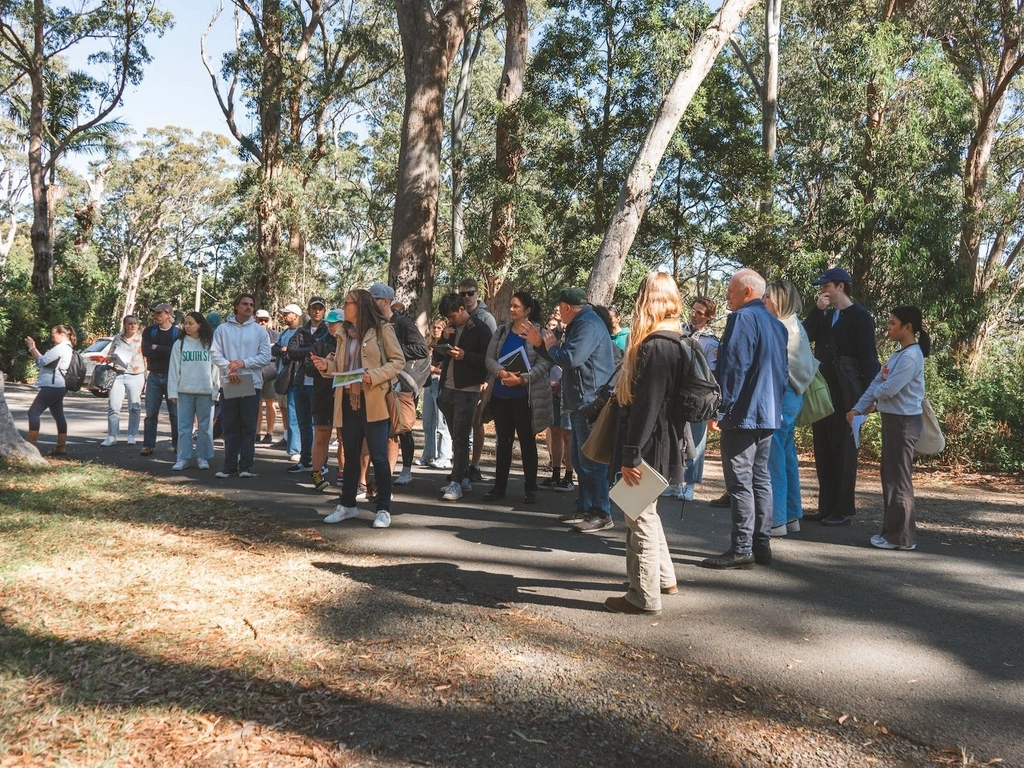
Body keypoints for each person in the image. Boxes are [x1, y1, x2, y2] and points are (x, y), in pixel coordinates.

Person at [604, 272, 686, 615]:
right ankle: (665, 579)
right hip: (663, 439)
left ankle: (643, 596)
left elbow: (647, 405)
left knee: (639, 517)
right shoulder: (677, 339)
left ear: (646, 300)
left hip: (647, 445)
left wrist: (630, 454)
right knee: (646, 510)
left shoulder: (656, 346)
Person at [700, 269, 788, 570]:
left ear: (747, 292)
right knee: (760, 478)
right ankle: (760, 545)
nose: (727, 296)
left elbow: (734, 368)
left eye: (731, 290)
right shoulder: (777, 325)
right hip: (768, 411)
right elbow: (782, 372)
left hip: (744, 412)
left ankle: (741, 548)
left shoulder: (743, 319)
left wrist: (719, 410)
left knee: (740, 482)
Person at [525, 287, 616, 533]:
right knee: (579, 458)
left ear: (567, 308)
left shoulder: (586, 325)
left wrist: (549, 346)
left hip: (590, 402)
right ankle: (586, 507)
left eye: (559, 308)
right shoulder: (583, 323)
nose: (558, 312)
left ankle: (601, 512)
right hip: (581, 401)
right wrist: (543, 346)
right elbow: (563, 356)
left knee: (592, 460)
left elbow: (571, 357)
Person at [315, 288, 406, 529]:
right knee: (351, 456)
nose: (343, 308)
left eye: (347, 304)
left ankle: (384, 509)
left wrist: (372, 376)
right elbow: (341, 367)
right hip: (347, 401)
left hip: (374, 400)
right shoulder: (344, 332)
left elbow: (398, 362)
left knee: (378, 456)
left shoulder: (383, 329)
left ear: (361, 306)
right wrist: (326, 365)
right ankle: (347, 505)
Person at [847, 306, 930, 551]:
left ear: (908, 327)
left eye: (893, 323)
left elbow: (888, 388)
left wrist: (877, 396)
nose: (889, 327)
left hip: (904, 422)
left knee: (899, 480)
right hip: (894, 420)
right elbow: (877, 383)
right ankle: (893, 533)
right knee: (891, 478)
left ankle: (901, 538)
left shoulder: (911, 356)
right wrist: (858, 408)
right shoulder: (899, 354)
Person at [803, 267, 880, 525]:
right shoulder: (824, 316)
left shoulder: (860, 317)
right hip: (822, 391)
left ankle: (843, 510)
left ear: (841, 287)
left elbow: (869, 358)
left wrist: (869, 399)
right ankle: (826, 507)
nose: (823, 291)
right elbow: (805, 337)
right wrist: (816, 310)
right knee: (823, 448)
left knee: (844, 450)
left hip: (848, 393)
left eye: (827, 286)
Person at [480, 291, 552, 504]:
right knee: (503, 442)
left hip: (525, 397)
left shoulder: (538, 332)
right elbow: (489, 358)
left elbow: (545, 362)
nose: (511, 309)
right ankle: (498, 487)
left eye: (516, 306)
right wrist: (501, 373)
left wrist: (524, 379)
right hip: (501, 395)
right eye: (511, 305)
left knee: (527, 443)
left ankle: (531, 489)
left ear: (527, 310)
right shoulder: (502, 331)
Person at [763, 281, 817, 536]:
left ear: (779, 300)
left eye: (767, 298)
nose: (764, 301)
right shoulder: (796, 325)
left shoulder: (781, 328)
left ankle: (776, 519)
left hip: (783, 394)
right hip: (795, 395)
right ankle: (792, 515)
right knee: (786, 457)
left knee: (774, 458)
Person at [369, 283, 430, 486]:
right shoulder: (373, 324)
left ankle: (406, 470)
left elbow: (421, 349)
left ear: (386, 302)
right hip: (381, 382)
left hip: (403, 383)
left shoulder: (402, 323)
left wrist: (393, 351)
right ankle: (383, 473)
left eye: (374, 300)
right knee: (385, 430)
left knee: (403, 427)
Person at [434, 292, 493, 501]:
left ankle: (457, 482)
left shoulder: (480, 328)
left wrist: (464, 356)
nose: (451, 320)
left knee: (461, 438)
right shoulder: (451, 329)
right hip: (447, 389)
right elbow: (436, 355)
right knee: (455, 436)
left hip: (467, 390)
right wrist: (444, 338)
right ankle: (462, 477)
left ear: (461, 309)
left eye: (452, 316)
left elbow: (489, 359)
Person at [210, 293, 273, 479]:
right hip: (230, 381)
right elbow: (215, 353)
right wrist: (230, 367)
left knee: (248, 425)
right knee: (229, 425)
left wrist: (243, 363)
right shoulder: (222, 329)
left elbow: (265, 357)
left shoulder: (260, 331)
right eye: (244, 304)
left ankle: (245, 466)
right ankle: (229, 466)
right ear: (236, 306)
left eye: (251, 304)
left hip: (252, 384)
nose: (248, 307)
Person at [681, 297, 721, 502]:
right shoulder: (680, 331)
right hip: (677, 392)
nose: (693, 315)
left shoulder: (711, 341)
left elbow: (712, 373)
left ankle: (689, 484)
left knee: (696, 441)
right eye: (693, 310)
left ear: (709, 317)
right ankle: (673, 481)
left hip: (698, 397)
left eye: (699, 313)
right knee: (677, 437)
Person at [168, 312, 220, 471]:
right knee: (183, 427)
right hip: (185, 391)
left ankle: (203, 457)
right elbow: (174, 369)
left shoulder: (210, 343)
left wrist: (215, 390)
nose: (187, 326)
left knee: (205, 427)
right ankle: (182, 458)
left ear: (200, 325)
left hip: (205, 391)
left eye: (191, 323)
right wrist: (172, 392)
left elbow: (216, 368)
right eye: (186, 323)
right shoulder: (180, 344)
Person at [285, 296, 330, 473]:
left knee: (320, 426)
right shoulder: (301, 331)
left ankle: (322, 463)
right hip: (300, 382)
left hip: (319, 384)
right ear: (308, 310)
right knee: (303, 424)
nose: (317, 311)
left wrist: (307, 352)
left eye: (320, 308)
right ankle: (305, 460)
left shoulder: (327, 331)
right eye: (314, 308)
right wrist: (311, 351)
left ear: (324, 311)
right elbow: (291, 351)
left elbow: (326, 351)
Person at [458, 278, 497, 483]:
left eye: (470, 293)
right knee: (462, 424)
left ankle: (475, 465)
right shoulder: (458, 316)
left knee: (476, 422)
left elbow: (491, 351)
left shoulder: (486, 318)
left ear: (477, 293)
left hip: (480, 378)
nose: (466, 297)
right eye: (462, 294)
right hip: (461, 379)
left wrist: (487, 379)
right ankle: (461, 466)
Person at [24, 325, 75, 455]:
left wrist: (32, 347)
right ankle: (61, 446)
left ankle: (31, 446)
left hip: (52, 386)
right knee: (59, 415)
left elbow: (41, 361)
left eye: (54, 335)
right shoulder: (68, 348)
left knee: (33, 413)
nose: (52, 338)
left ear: (62, 335)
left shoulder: (60, 348)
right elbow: (46, 361)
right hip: (60, 386)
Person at [309, 308, 343, 492]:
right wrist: (323, 364)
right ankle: (316, 474)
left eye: (335, 322)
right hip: (323, 397)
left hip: (345, 397)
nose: (331, 326)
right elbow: (307, 368)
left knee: (344, 439)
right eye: (329, 322)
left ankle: (343, 474)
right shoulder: (319, 343)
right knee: (321, 438)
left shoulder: (353, 344)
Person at [140, 303, 180, 457]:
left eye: (160, 313)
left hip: (172, 376)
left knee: (175, 414)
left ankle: (177, 444)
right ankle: (148, 445)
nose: (157, 316)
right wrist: (161, 349)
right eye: (155, 313)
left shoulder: (177, 333)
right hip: (154, 376)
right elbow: (146, 351)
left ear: (168, 314)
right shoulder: (149, 331)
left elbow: (176, 353)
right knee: (151, 413)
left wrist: (158, 348)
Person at [100, 315, 145, 446]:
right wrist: (112, 357)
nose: (133, 326)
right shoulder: (117, 338)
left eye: (135, 323)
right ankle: (112, 435)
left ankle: (132, 435)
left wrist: (147, 376)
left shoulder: (141, 339)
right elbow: (109, 354)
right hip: (118, 374)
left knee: (135, 407)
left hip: (136, 375)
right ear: (125, 325)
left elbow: (146, 358)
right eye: (130, 323)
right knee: (113, 406)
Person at [415, 316, 453, 469]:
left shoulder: (446, 346)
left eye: (439, 328)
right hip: (428, 383)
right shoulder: (429, 346)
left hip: (440, 383)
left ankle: (445, 456)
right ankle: (428, 454)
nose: (436, 330)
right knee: (428, 422)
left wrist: (435, 369)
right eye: (434, 327)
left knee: (441, 422)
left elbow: (447, 368)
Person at [272, 303, 304, 461]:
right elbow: (275, 349)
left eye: (287, 314)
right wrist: (282, 350)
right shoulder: (283, 333)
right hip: (285, 377)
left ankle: (298, 449)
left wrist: (288, 351)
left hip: (299, 378)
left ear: (296, 316)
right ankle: (293, 446)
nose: (284, 316)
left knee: (297, 415)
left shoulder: (302, 332)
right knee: (288, 412)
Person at [255, 309, 279, 443]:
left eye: (265, 320)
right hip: (256, 373)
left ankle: (269, 433)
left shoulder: (275, 335)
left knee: (270, 403)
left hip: (271, 372)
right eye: (260, 320)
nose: (263, 322)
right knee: (256, 404)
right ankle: (257, 432)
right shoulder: (250, 334)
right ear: (255, 319)